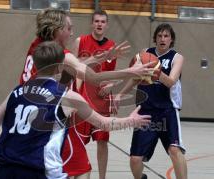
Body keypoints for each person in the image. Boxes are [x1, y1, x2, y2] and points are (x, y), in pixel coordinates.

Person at [0, 41, 151, 179]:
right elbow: (103, 123)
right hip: (40, 171)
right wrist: (132, 121)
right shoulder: (66, 96)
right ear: (60, 67)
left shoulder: (16, 91)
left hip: (6, 171)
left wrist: (7, 153)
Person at [18, 8, 155, 179]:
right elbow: (93, 77)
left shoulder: (39, 45)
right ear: (57, 30)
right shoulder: (60, 54)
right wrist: (131, 72)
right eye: (68, 28)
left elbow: (77, 64)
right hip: (49, 116)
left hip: (23, 112)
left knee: (65, 167)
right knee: (81, 169)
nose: (71, 32)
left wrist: (105, 56)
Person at [115, 23, 187, 179]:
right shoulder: (144, 54)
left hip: (167, 111)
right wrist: (120, 95)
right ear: (155, 38)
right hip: (145, 111)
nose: (162, 39)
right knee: (135, 159)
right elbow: (135, 78)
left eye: (166, 36)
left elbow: (171, 82)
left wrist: (155, 70)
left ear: (171, 39)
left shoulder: (177, 57)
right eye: (159, 36)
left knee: (175, 149)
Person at [71, 9, 117, 179]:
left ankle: (102, 177)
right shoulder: (80, 41)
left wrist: (111, 85)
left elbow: (112, 73)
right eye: (96, 21)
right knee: (78, 141)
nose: (99, 24)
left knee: (102, 141)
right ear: (92, 23)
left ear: (107, 25)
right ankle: (76, 172)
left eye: (102, 22)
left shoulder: (111, 46)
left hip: (102, 100)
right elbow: (73, 69)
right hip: (82, 97)